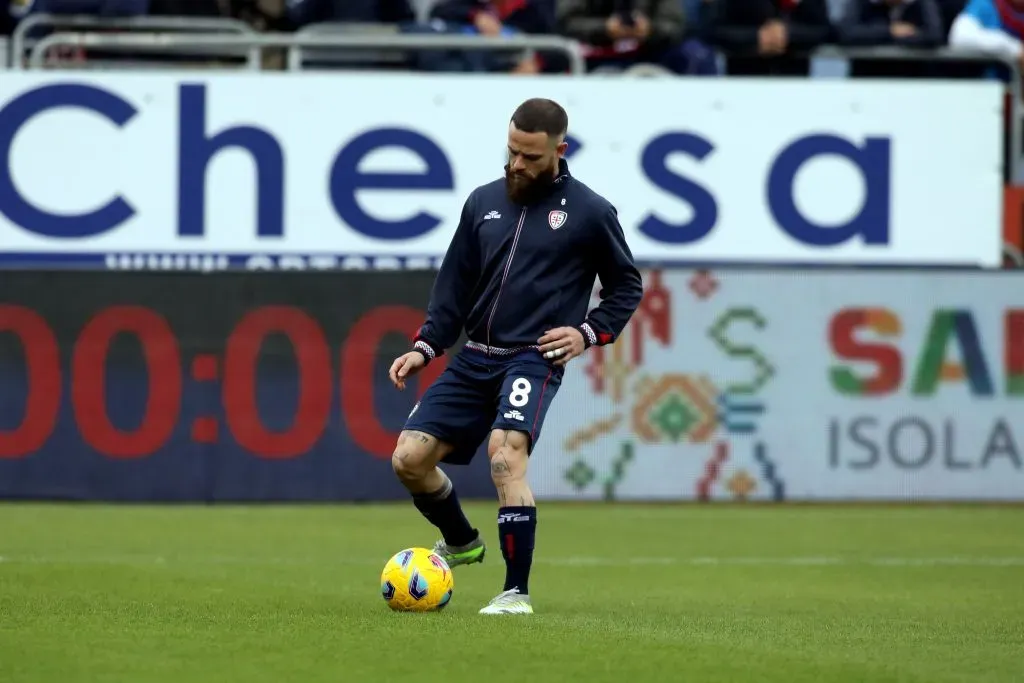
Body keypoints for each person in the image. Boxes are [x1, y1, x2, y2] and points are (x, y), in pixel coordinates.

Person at [387, 98, 644, 615]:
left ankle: (515, 593)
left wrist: (589, 333)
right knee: (409, 460)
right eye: (511, 152)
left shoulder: (591, 212)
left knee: (505, 457)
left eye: (529, 156)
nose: (517, 165)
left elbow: (626, 286)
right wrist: (426, 345)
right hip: (474, 356)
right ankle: (461, 542)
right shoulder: (482, 201)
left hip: (532, 356)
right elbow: (453, 285)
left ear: (558, 151)